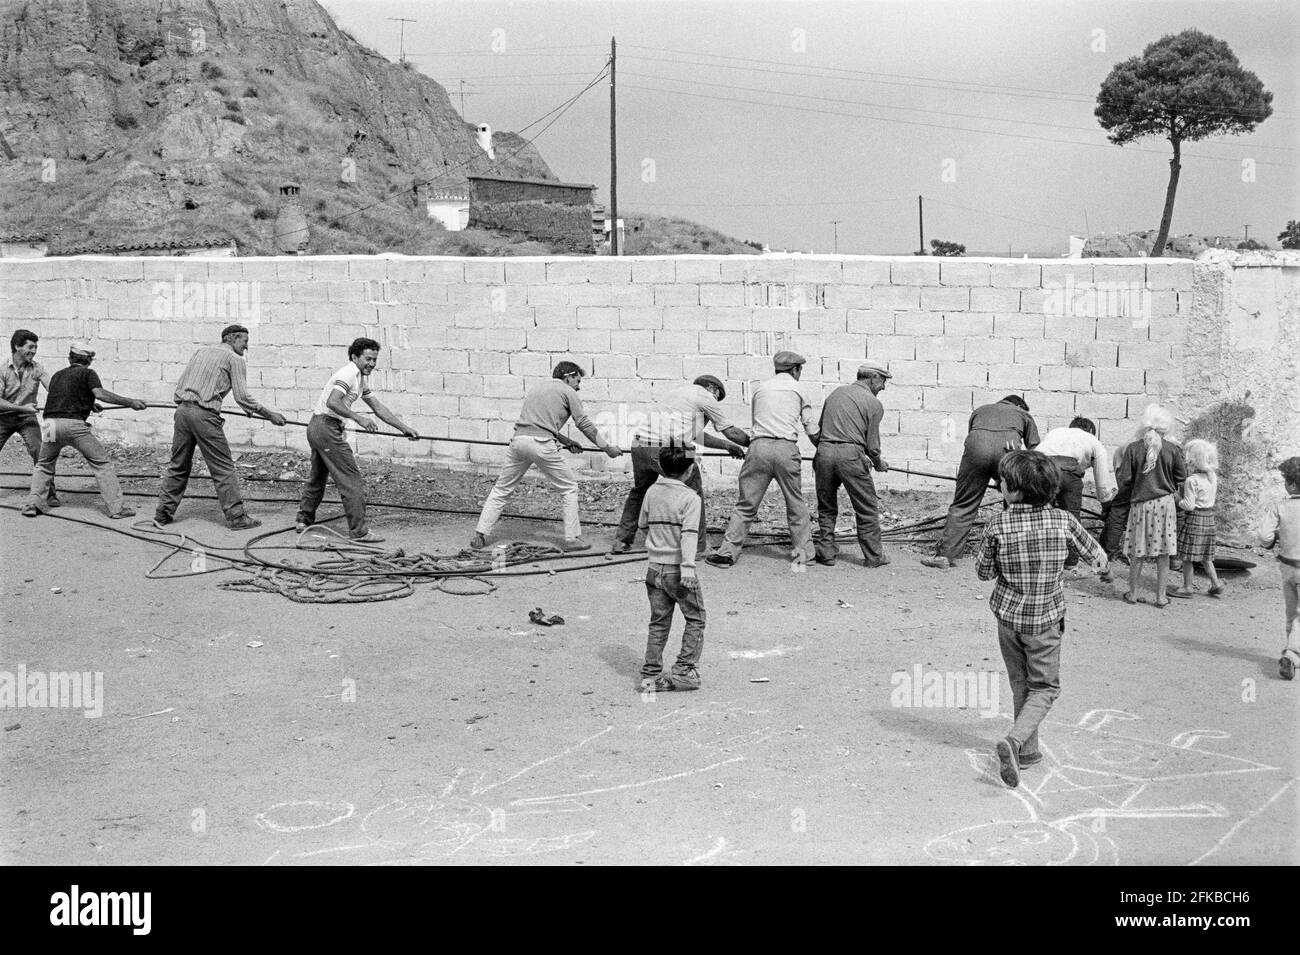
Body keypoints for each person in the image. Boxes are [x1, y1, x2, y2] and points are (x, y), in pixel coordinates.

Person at [975, 451, 1108, 789]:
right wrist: (1072, 567)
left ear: (1014, 491)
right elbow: (1099, 558)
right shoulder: (1064, 521)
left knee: (1022, 684)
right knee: (1046, 687)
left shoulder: (997, 525)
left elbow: (983, 572)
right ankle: (1017, 742)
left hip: (1008, 618)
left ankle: (1028, 752)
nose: (1000, 486)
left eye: (1003, 483)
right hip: (1045, 619)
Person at [471, 361, 622, 552]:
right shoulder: (568, 392)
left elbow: (539, 422)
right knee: (569, 487)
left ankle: (480, 535)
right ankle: (572, 539)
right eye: (577, 380)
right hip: (542, 445)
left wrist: (566, 441)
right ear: (568, 376)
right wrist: (607, 448)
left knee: (502, 489)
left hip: (519, 441)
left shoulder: (537, 389)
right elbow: (583, 423)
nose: (579, 385)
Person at [154, 324, 288, 531]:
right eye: (244, 341)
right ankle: (237, 517)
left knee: (178, 465)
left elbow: (181, 385)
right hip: (205, 416)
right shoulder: (234, 359)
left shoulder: (201, 352)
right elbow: (242, 396)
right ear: (232, 338)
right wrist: (269, 415)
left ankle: (162, 513)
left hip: (182, 412)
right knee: (223, 468)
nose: (246, 347)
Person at [295, 337, 419, 544]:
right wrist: (358, 418)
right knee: (351, 480)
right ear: (355, 356)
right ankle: (359, 532)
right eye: (367, 359)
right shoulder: (349, 373)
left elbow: (378, 407)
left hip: (318, 427)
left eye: (374, 360)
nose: (371, 364)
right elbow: (332, 401)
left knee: (317, 477)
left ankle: (303, 520)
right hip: (326, 427)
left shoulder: (360, 378)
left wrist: (404, 428)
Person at [611, 374, 749, 557]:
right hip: (669, 448)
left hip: (639, 445)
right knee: (695, 492)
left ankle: (622, 540)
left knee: (640, 491)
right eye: (717, 396)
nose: (716, 400)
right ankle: (699, 547)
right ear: (713, 389)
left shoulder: (678, 394)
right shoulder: (706, 397)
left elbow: (695, 435)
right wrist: (753, 443)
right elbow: (730, 431)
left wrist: (726, 446)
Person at [706, 351, 819, 568]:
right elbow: (810, 427)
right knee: (795, 503)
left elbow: (758, 420)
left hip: (758, 447)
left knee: (746, 504)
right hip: (786, 448)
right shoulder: (800, 389)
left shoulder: (761, 389)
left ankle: (727, 553)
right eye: (800, 370)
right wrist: (822, 447)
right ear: (795, 370)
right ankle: (804, 554)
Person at [20, 343, 149, 519]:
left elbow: (64, 397)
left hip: (50, 424)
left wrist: (88, 404)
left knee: (43, 464)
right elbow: (101, 394)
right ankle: (116, 508)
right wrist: (130, 402)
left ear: (70, 358)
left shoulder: (58, 375)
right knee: (101, 464)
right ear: (89, 361)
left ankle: (32, 505)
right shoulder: (88, 374)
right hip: (73, 426)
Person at [922, 395, 1040, 569]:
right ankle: (1015, 556)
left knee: (964, 503)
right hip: (1008, 452)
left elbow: (974, 438)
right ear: (1019, 405)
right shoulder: (1023, 414)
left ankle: (945, 556)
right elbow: (1034, 450)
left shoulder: (980, 410)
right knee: (1016, 505)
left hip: (975, 451)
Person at [637, 446, 706, 692]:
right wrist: (688, 568)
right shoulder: (691, 498)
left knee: (658, 622)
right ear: (689, 471)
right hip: (679, 570)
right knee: (696, 618)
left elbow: (642, 525)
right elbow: (688, 536)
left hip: (654, 568)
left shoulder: (651, 492)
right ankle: (683, 670)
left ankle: (650, 676)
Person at [813, 360, 892, 568]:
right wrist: (877, 462)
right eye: (883, 381)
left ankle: (827, 552)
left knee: (826, 506)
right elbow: (872, 446)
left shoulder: (835, 394)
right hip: (851, 456)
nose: (883, 386)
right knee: (866, 507)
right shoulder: (874, 404)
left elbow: (820, 430)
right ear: (873, 377)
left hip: (824, 452)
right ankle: (874, 557)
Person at [1115, 404, 1186, 608]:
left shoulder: (1134, 448)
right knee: (1163, 552)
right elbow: (1182, 477)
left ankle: (1133, 593)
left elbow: (1125, 479)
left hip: (1141, 506)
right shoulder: (1172, 449)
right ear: (1166, 427)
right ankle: (1161, 597)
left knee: (1138, 551)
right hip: (1165, 505)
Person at [1034, 416, 1117, 570]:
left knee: (1040, 514)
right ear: (1092, 431)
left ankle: (1039, 558)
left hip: (1042, 467)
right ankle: (1070, 562)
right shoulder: (1092, 440)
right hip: (1068, 471)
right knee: (1071, 517)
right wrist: (1106, 504)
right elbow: (1102, 481)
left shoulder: (1056, 432)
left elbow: (1036, 453)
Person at [0, 329, 59, 508]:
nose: (33, 351)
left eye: (35, 348)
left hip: (27, 418)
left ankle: (50, 494)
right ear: (17, 346)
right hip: (3, 417)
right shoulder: (2, 369)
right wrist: (21, 407)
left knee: (40, 452)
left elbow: (53, 388)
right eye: (30, 347)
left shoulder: (37, 367)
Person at [1257, 457, 1300, 680]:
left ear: (1292, 485)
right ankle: (1292, 655)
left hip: (1287, 566)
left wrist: (1272, 541)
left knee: (1291, 612)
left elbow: (1264, 535)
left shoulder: (1279, 507)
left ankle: (1291, 652)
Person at [1168, 438, 1225, 599]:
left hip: (1195, 518)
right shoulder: (1212, 476)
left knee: (1187, 557)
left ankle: (1187, 587)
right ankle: (1216, 583)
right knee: (1206, 556)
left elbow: (1188, 505)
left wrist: (1177, 497)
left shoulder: (1191, 480)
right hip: (1209, 518)